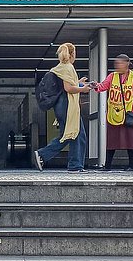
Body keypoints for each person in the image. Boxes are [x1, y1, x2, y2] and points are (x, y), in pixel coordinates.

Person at [33, 42, 90, 173]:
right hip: (67, 106)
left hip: (61, 106)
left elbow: (67, 85)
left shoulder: (60, 67)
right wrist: (83, 89)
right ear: (72, 54)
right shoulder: (68, 67)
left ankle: (72, 164)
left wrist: (79, 83)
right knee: (77, 134)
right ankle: (74, 165)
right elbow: (68, 88)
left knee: (69, 134)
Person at [91, 52, 133, 171]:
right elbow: (102, 87)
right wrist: (95, 85)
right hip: (114, 114)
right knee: (112, 140)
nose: (117, 65)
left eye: (120, 63)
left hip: (130, 113)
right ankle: (108, 165)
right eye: (116, 63)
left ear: (127, 64)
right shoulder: (112, 76)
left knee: (131, 139)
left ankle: (132, 165)